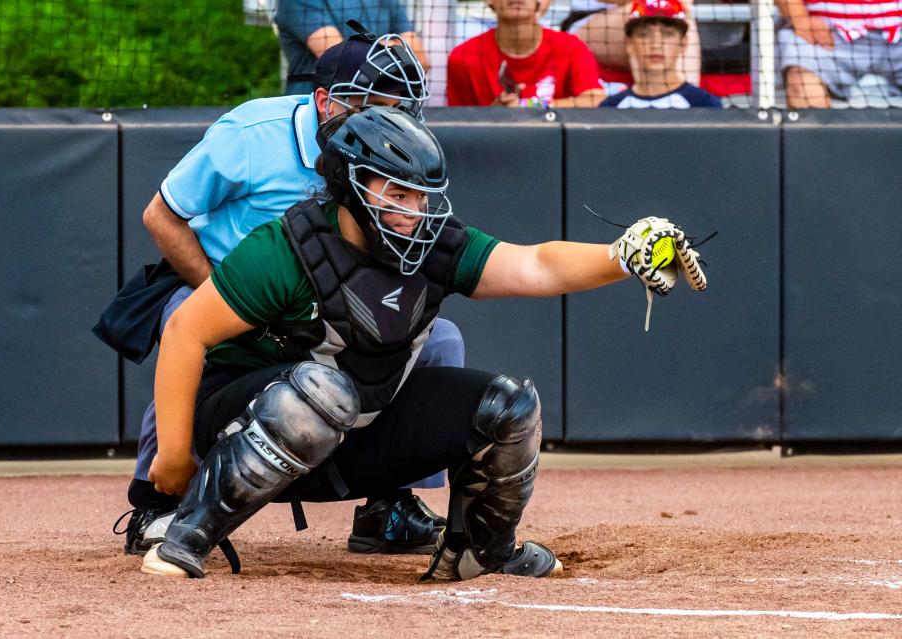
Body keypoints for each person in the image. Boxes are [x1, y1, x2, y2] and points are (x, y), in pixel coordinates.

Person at [136, 106, 708, 580]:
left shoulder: (434, 242)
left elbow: (535, 264)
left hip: (352, 425)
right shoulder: (284, 248)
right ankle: (188, 536)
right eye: (397, 193)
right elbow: (186, 332)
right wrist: (174, 455)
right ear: (352, 186)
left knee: (510, 407)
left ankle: (481, 552)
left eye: (421, 195)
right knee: (321, 389)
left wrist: (618, 256)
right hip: (242, 420)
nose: (414, 210)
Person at [106, 32, 456, 562]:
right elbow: (162, 214)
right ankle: (157, 501)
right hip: (232, 282)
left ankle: (388, 506)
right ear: (325, 101)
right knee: (188, 322)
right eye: (370, 105)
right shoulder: (251, 134)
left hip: (328, 303)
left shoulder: (393, 152)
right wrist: (218, 297)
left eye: (395, 107)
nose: (386, 121)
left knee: (440, 339)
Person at [446, 0, 605, 107]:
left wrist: (530, 106)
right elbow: (460, 121)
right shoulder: (463, 57)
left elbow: (595, 100)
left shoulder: (570, 46)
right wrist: (493, 114)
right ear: (489, 1)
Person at [274, 1, 429, 96]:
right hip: (319, 109)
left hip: (382, 107)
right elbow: (343, 62)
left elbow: (420, 62)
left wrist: (361, 46)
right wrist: (395, 47)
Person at [777, 0, 902, 107]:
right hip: (825, 32)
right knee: (802, 85)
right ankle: (813, 134)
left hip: (897, 33)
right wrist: (800, 18)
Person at [600, 0, 722, 108]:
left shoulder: (705, 104)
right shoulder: (611, 107)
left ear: (683, 43)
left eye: (667, 34)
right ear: (629, 43)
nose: (656, 44)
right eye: (644, 34)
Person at [569, 0, 702, 87]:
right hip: (588, 23)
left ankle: (687, 102)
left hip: (653, 10)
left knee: (676, 11)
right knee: (647, 9)